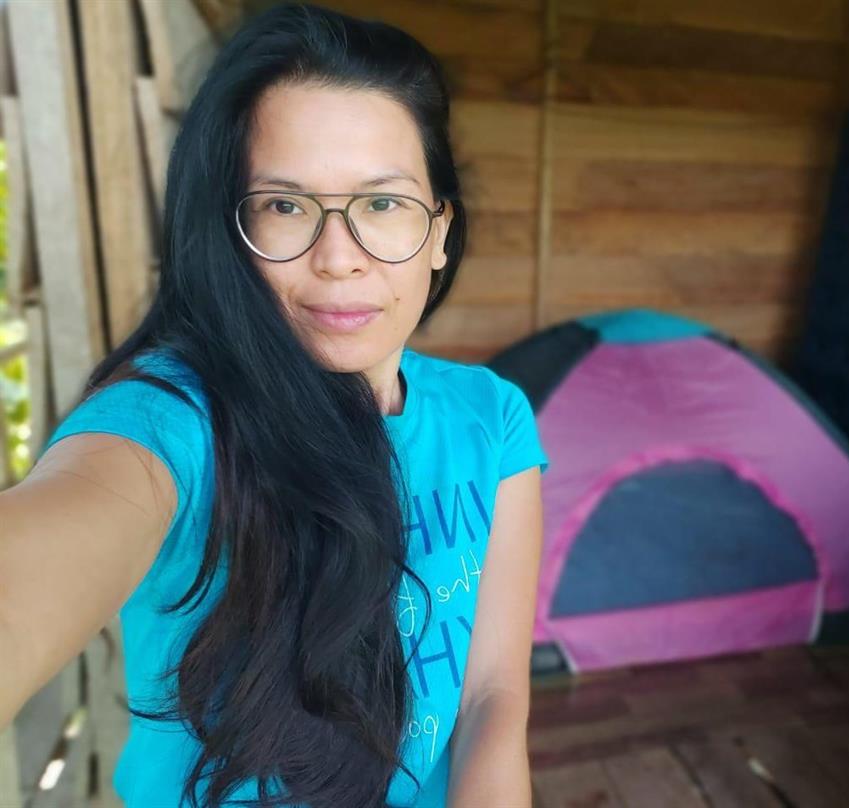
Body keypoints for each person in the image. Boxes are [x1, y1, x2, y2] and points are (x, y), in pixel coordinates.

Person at [0, 3, 549, 806]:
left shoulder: (491, 418)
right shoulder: (171, 423)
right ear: (234, 231)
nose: (338, 258)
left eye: (383, 204)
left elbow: (491, 695)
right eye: (285, 206)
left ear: (438, 232)